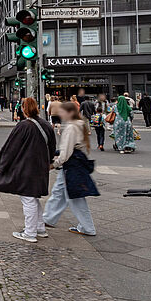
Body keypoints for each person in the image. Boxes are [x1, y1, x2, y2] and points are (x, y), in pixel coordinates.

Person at [0, 97, 56, 243]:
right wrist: (49, 162)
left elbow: (11, 148)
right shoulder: (46, 125)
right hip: (41, 167)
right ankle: (40, 228)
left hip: (27, 167)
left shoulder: (23, 126)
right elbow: (52, 147)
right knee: (33, 197)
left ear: (24, 109)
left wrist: (1, 166)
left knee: (28, 198)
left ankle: (30, 233)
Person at [43, 101, 97, 236]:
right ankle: (48, 218)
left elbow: (66, 152)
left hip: (72, 165)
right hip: (75, 163)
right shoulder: (79, 124)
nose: (60, 114)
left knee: (75, 198)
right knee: (59, 192)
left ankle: (88, 228)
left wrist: (54, 164)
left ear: (70, 113)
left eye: (62, 112)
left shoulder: (72, 127)